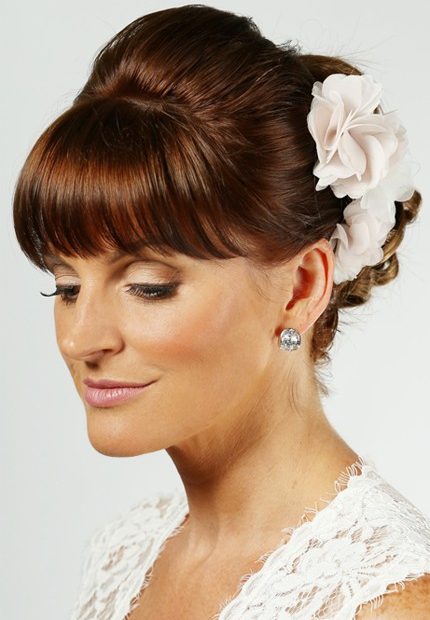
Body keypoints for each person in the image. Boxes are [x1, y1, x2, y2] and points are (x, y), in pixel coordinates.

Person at [12, 4, 430, 619]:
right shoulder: (125, 554)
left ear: (300, 289)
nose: (80, 340)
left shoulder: (387, 604)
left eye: (149, 287)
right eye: (67, 287)